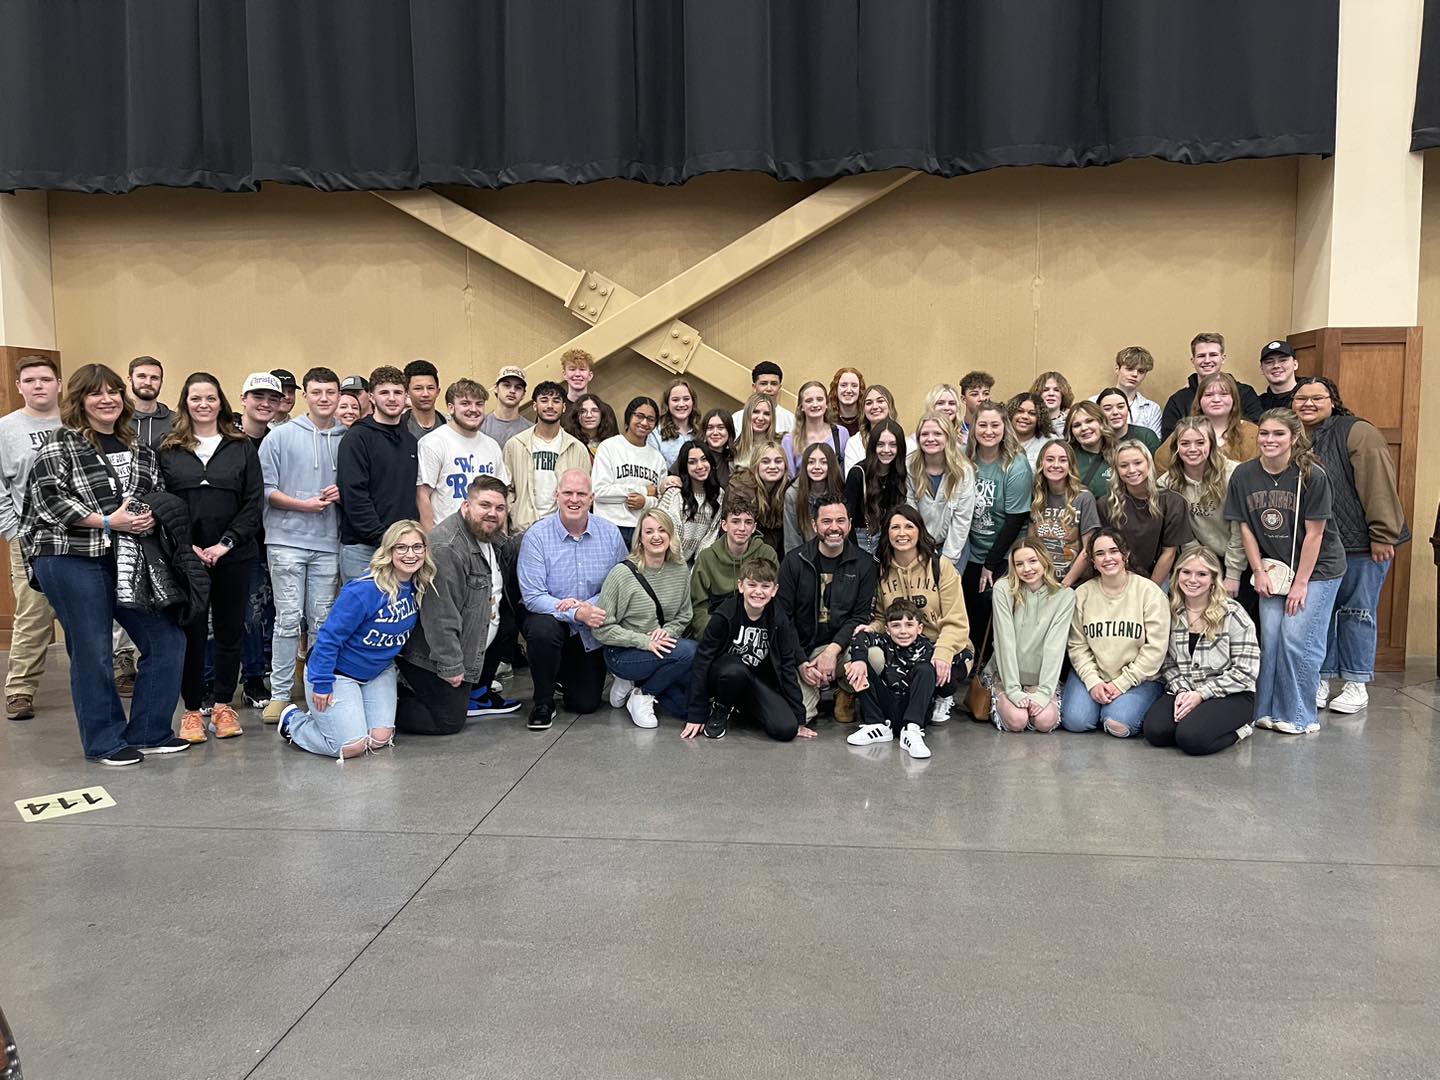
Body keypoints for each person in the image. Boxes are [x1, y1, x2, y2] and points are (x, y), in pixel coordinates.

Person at [24, 363, 190, 765]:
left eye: (113, 391)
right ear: (80, 400)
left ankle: (150, 732)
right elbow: (49, 500)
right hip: (68, 556)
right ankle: (105, 741)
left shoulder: (139, 448)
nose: (106, 399)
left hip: (126, 557)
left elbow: (155, 493)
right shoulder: (60, 443)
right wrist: (106, 521)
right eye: (95, 393)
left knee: (167, 640)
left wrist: (151, 516)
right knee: (93, 649)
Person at [1293, 377, 1411, 716]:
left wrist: (1383, 534)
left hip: (1361, 543)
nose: (1308, 403)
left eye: (1317, 397)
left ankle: (1356, 682)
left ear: (1333, 401)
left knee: (1357, 612)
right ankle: (1321, 679)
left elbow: (1379, 486)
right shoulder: (1292, 435)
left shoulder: (1357, 432)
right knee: (1320, 615)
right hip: (1318, 545)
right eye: (1301, 398)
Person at [1225, 409, 1347, 734]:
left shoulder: (1312, 475)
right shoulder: (1244, 475)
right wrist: (1258, 571)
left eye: (1278, 434)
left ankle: (1299, 716)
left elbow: (1316, 534)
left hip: (1317, 569)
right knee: (1271, 637)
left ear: (1294, 438)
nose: (1269, 440)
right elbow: (1245, 527)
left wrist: (1301, 584)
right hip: (1274, 569)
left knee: (1296, 638)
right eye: (1264, 433)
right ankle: (1264, 711)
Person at [159, 372, 264, 742]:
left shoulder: (241, 446)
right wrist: (185, 545)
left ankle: (222, 705)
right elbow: (161, 501)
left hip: (233, 554)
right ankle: (191, 710)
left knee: (230, 629)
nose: (203, 404)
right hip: (186, 556)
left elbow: (253, 502)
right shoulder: (169, 449)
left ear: (221, 403)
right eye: (196, 398)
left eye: (210, 398)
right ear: (185, 403)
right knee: (192, 631)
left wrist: (226, 544)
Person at [278, 521, 431, 759]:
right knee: (350, 746)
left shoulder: (418, 585)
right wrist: (322, 683)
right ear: (388, 551)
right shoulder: (364, 590)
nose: (410, 554)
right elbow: (328, 639)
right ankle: (294, 722)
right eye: (401, 547)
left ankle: (336, 719)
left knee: (379, 738)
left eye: (417, 547)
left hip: (378, 672)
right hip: (337, 673)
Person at [259, 366, 346, 724]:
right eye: (316, 392)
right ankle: (280, 695)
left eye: (330, 392)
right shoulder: (279, 437)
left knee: (323, 621)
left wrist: (343, 493)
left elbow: (359, 487)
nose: (324, 398)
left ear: (339, 396)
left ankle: (316, 689)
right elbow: (265, 490)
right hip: (285, 541)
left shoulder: (348, 439)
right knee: (288, 619)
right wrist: (303, 505)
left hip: (328, 542)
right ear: (304, 396)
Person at [396, 476, 511, 735]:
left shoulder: (490, 537)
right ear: (466, 506)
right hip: (431, 656)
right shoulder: (448, 548)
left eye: (499, 508)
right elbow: (440, 616)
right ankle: (384, 701)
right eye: (485, 505)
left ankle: (476, 688)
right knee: (448, 720)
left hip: (472, 642)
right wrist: (451, 666)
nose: (492, 513)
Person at [517, 469, 628, 729]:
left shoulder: (610, 534)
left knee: (585, 704)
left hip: (589, 626)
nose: (574, 499)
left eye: (581, 494)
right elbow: (533, 596)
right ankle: (543, 702)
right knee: (543, 630)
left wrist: (589, 605)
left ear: (592, 498)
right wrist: (575, 612)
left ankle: (561, 673)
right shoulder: (537, 536)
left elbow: (622, 582)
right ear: (557, 496)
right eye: (567, 493)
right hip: (550, 618)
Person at [1141, 544, 1260, 755]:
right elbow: (1167, 662)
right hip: (1187, 687)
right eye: (1186, 572)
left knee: (1191, 739)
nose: (1192, 579)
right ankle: (1196, 719)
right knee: (1156, 732)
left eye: (1202, 574)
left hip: (1231, 693)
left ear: (1213, 578)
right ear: (1177, 575)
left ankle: (1241, 730)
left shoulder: (1232, 613)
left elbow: (1246, 671)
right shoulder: (1170, 611)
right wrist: (1182, 690)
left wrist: (1202, 695)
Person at [865, 504, 972, 726]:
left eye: (908, 526)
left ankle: (943, 695)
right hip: (901, 647)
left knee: (939, 671)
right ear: (887, 533)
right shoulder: (882, 571)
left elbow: (956, 621)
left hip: (939, 645)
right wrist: (870, 629)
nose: (901, 533)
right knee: (873, 656)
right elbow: (882, 618)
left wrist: (943, 652)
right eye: (895, 527)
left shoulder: (940, 567)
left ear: (919, 531)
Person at [682, 557, 808, 742]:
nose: (758, 592)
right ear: (741, 586)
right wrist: (696, 713)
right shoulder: (725, 614)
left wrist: (799, 717)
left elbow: (786, 665)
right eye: (752, 585)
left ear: (774, 590)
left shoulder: (779, 619)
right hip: (724, 677)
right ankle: (721, 707)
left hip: (755, 682)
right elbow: (703, 660)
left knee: (786, 730)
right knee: (735, 671)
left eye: (765, 586)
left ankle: (742, 708)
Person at [777, 495, 877, 726]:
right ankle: (812, 685)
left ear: (849, 524)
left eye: (840, 520)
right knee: (797, 719)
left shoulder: (864, 564)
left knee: (874, 656)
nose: (834, 528)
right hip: (804, 652)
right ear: (814, 525)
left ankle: (846, 690)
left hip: (842, 648)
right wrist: (801, 663)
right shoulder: (794, 561)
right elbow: (783, 619)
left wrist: (832, 652)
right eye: (826, 521)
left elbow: (860, 616)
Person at [595, 509, 697, 727]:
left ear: (671, 535)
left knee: (686, 709)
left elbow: (684, 614)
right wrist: (644, 641)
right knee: (690, 651)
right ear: (640, 538)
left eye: (662, 530)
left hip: (661, 648)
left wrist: (667, 631)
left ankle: (634, 682)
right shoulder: (621, 574)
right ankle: (642, 694)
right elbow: (601, 628)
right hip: (624, 653)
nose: (656, 536)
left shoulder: (680, 569)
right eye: (649, 531)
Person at [1061, 529, 1168, 737]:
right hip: (1095, 673)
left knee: (1118, 723)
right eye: (1100, 554)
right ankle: (1099, 704)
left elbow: (1156, 649)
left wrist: (1121, 684)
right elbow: (1077, 646)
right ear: (1093, 561)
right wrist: (1093, 682)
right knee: (1075, 721)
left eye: (1113, 551)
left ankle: (1117, 707)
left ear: (1125, 555)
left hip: (1139, 678)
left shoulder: (1149, 592)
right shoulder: (1082, 594)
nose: (1107, 558)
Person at [0, 355, 61, 721]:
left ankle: (118, 671)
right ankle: (20, 689)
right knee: (33, 613)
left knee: (96, 611)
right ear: (19, 386)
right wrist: (13, 531)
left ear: (59, 384)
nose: (38, 385)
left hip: (81, 536)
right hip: (29, 537)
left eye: (45, 379)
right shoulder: (5, 430)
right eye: (30, 380)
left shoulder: (76, 423)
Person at [963, 402, 1033, 660]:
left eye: (995, 425)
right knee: (967, 605)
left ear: (1005, 428)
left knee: (989, 602)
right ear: (974, 428)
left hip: (1003, 552)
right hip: (971, 549)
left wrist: (990, 564)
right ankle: (969, 663)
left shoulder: (1016, 465)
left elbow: (1015, 520)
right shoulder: (966, 459)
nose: (989, 431)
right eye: (982, 425)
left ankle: (989, 666)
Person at [336, 366, 419, 582]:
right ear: (372, 397)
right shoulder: (357, 438)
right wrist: (383, 538)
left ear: (406, 396)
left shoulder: (410, 442)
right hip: (363, 550)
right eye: (384, 392)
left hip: (402, 549)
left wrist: (405, 543)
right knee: (363, 605)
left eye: (397, 392)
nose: (391, 398)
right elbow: (354, 495)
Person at [1156, 417, 1246, 605]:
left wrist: (1233, 574)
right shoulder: (1167, 484)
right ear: (1176, 447)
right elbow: (1182, 533)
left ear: (1211, 443)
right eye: (1185, 443)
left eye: (1200, 442)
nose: (1192, 449)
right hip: (1197, 561)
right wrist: (1199, 566)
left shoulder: (1234, 474)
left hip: (1236, 560)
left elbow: (1240, 528)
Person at [987, 542, 1075, 733]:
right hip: (1006, 677)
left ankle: (1037, 701)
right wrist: (1013, 690)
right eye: (1019, 564)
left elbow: (1055, 646)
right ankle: (1000, 700)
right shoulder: (1004, 589)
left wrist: (1044, 693)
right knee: (1017, 720)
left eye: (1033, 561)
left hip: (1041, 680)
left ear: (1044, 561)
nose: (1026, 569)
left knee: (1045, 721)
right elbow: (1005, 641)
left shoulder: (1065, 595)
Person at [234, 372, 281, 708]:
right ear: (244, 399)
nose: (265, 404)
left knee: (270, 612)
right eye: (258, 397)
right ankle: (248, 678)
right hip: (237, 540)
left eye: (272, 399)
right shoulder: (228, 442)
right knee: (247, 613)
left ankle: (259, 676)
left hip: (273, 538)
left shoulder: (277, 441)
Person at [843, 598, 938, 758]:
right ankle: (876, 724)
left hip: (914, 709)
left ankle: (911, 730)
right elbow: (861, 637)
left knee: (926, 669)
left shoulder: (928, 647)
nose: (903, 631)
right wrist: (859, 660)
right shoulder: (885, 641)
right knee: (856, 665)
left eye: (909, 625)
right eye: (896, 625)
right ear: (887, 629)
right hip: (887, 707)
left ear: (919, 628)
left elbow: (962, 657)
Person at [416, 378, 508, 532]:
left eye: (479, 404)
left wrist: (502, 537)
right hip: (448, 537)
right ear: (451, 408)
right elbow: (422, 495)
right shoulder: (433, 442)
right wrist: (431, 539)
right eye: (465, 403)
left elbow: (501, 496)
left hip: (486, 536)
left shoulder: (492, 446)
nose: (473, 409)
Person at [1098, 440, 1190, 586]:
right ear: (1116, 470)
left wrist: (1150, 590)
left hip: (1159, 576)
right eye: (1124, 465)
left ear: (1148, 463)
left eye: (1138, 463)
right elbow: (1107, 551)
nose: (1131, 470)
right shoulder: (1106, 504)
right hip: (1119, 576)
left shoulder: (1172, 502)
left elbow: (1169, 552)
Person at [504, 379, 590, 533]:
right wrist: (515, 514)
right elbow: (506, 489)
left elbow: (585, 491)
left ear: (564, 407)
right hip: (524, 529)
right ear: (534, 406)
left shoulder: (577, 448)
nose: (550, 406)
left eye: (556, 401)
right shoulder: (515, 445)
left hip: (564, 529)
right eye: (544, 400)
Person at [688, 499, 778, 637]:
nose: (742, 528)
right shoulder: (707, 557)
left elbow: (774, 598)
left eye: (748, 522)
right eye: (735, 521)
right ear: (724, 525)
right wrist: (710, 635)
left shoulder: (767, 553)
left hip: (756, 628)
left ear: (754, 527)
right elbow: (699, 606)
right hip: (718, 627)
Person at [591, 396, 673, 546]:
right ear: (629, 416)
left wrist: (646, 502)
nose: (644, 423)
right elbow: (599, 492)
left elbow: (661, 500)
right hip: (608, 526)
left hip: (642, 530)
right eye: (639, 416)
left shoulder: (657, 458)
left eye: (650, 419)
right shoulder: (609, 447)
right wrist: (643, 490)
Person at [1160, 331, 1263, 438]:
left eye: (1213, 355)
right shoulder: (1178, 401)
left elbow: (1257, 434)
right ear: (1193, 360)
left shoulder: (1245, 393)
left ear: (1223, 358)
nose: (1207, 360)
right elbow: (1170, 440)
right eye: (1201, 356)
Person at [907, 411, 975, 567]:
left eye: (937, 434)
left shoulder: (963, 470)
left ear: (948, 437)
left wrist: (947, 561)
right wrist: (921, 551)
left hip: (953, 544)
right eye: (925, 434)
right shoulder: (909, 466)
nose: (930, 439)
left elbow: (962, 519)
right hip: (918, 544)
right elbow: (910, 514)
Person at [1028, 438, 1099, 587]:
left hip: (1074, 583)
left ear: (1070, 465)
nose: (1056, 465)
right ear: (1041, 464)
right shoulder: (1037, 497)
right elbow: (1031, 544)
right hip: (1041, 579)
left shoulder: (1084, 498)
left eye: (1062, 460)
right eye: (1050, 459)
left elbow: (1088, 549)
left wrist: (1065, 585)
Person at [1154, 372, 1258, 470]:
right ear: (1199, 400)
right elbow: (1161, 464)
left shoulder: (1252, 433)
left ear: (1234, 399)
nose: (1216, 400)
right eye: (1209, 395)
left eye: (1224, 394)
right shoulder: (1184, 431)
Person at [844, 419, 907, 555]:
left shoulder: (898, 473)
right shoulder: (857, 474)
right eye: (880, 444)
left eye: (893, 445)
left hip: (887, 539)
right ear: (873, 446)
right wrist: (855, 556)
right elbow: (847, 519)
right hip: (860, 539)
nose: (886, 450)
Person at [657, 441, 723, 564]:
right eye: (692, 462)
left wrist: (698, 567)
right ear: (685, 467)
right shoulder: (674, 494)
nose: (700, 466)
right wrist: (680, 566)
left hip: (692, 562)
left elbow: (710, 536)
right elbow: (669, 534)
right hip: (666, 560)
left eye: (704, 459)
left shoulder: (718, 494)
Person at [727, 442, 788, 556]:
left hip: (773, 552)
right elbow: (739, 532)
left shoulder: (786, 490)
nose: (772, 466)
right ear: (756, 465)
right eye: (765, 461)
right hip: (741, 551)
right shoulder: (741, 489)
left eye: (778, 461)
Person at [783, 442, 844, 552]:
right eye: (811, 462)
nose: (817, 467)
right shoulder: (792, 494)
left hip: (836, 551)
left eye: (823, 462)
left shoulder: (841, 490)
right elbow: (792, 539)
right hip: (804, 554)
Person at [781, 380, 847, 476]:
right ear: (801, 407)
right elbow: (790, 477)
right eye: (809, 401)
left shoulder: (841, 433)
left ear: (826, 404)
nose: (815, 404)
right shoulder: (790, 440)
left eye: (819, 399)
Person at [1094, 345, 1163, 436]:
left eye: (1141, 371)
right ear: (1117, 369)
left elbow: (1153, 442)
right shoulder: (1094, 402)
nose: (1135, 374)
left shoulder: (1151, 409)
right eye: (1130, 369)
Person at [843, 383, 901, 474]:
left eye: (880, 401)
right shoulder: (854, 443)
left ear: (890, 406)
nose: (874, 407)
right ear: (863, 410)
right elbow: (852, 478)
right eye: (869, 403)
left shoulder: (908, 443)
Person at [730, 360, 796, 437]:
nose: (769, 388)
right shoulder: (737, 418)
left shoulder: (791, 420)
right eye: (763, 384)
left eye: (774, 384)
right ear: (754, 387)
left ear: (779, 387)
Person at [1066, 400, 1116, 500]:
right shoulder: (1066, 458)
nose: (1084, 428)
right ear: (1071, 432)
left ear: (1102, 422)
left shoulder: (1120, 454)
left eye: (1089, 421)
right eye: (1077, 425)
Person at [647, 377, 699, 467]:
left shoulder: (701, 433)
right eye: (675, 400)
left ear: (693, 402)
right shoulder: (655, 435)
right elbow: (654, 469)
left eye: (686, 399)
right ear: (667, 403)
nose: (681, 404)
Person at [480, 365, 534, 449]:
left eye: (518, 387)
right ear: (496, 388)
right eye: (507, 385)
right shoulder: (480, 426)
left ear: (523, 394)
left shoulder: (531, 431)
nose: (512, 391)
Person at [1095, 387, 1160, 454]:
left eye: (1120, 407)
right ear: (1099, 412)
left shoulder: (1146, 436)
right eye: (1108, 409)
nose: (1115, 412)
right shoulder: (1095, 440)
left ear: (1128, 409)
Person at [127, 355, 173, 449]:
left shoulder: (176, 422)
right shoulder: (117, 419)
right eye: (142, 376)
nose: (148, 382)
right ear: (130, 380)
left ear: (161, 383)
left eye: (154, 378)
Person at [560, 391, 617, 457]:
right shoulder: (569, 442)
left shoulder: (612, 443)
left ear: (602, 414)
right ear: (576, 416)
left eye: (594, 410)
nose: (589, 415)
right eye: (583, 411)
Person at [400, 359, 446, 441]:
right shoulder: (398, 426)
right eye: (418, 388)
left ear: (438, 391)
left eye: (430, 388)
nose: (425, 394)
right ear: (407, 392)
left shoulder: (451, 425)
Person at [1006, 392, 1052, 470]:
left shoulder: (1048, 444)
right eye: (1020, 411)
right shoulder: (999, 440)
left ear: (1040, 418)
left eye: (1032, 413)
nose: (1025, 416)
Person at [732, 392, 777, 471]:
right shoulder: (735, 448)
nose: (760, 418)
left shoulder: (780, 446)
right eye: (755, 412)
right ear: (747, 414)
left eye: (766, 414)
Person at [696, 408, 736, 488]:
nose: (715, 433)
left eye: (721, 427)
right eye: (710, 428)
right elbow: (673, 477)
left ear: (729, 431)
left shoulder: (734, 458)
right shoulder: (693, 453)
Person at [1257, 339, 1300, 412]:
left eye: (1283, 360)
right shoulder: (1257, 404)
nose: (1276, 365)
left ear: (1295, 364)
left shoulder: (1308, 397)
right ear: (1261, 369)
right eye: (1269, 362)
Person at [829, 367, 866, 437]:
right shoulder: (826, 420)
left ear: (860, 390)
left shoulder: (867, 419)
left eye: (854, 386)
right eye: (843, 385)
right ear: (835, 389)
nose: (849, 390)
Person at [959, 371, 994, 437]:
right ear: (964, 399)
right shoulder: (956, 431)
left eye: (986, 393)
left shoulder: (996, 429)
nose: (982, 398)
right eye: (974, 394)